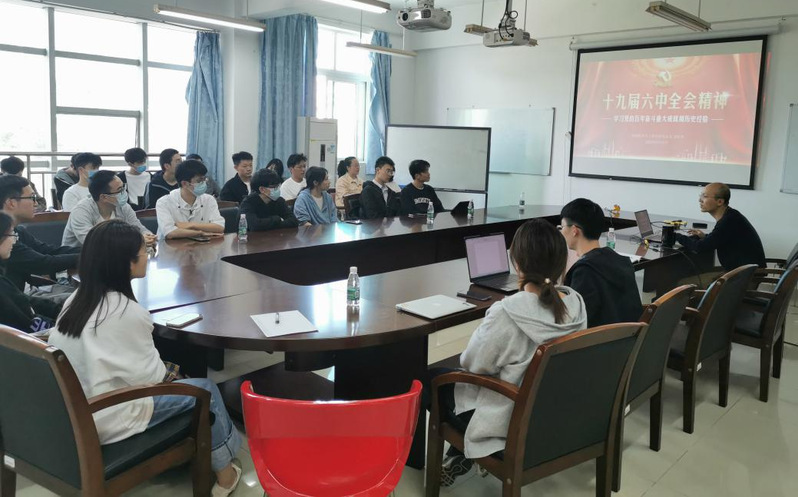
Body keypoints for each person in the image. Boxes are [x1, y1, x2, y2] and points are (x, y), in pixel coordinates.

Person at [48, 220, 242, 496]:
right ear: (126, 262)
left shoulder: (77, 299)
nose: (148, 257)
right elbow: (153, 378)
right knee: (206, 390)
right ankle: (225, 472)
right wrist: (179, 377)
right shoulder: (126, 312)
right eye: (144, 252)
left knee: (181, 375)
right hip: (107, 413)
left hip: (73, 404)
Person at [429, 219, 587, 486]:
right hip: (554, 414)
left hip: (509, 420)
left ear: (517, 264)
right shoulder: (576, 304)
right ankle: (459, 453)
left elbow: (472, 364)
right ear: (562, 263)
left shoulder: (507, 311)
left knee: (432, 379)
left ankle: (438, 459)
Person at [559, 198, 643, 328]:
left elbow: (575, 321)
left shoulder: (584, 272)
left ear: (574, 230)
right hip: (630, 336)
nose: (561, 232)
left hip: (600, 339)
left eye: (562, 227)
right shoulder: (621, 261)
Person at [0, 175, 80, 291]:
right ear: (11, 203)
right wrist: (89, 256)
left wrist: (90, 249)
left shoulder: (18, 230)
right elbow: (43, 263)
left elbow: (47, 250)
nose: (36, 204)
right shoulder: (4, 237)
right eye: (32, 198)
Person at [675, 182, 766, 284]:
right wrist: (705, 236)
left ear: (720, 202)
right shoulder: (731, 215)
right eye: (700, 196)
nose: (700, 200)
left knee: (683, 284)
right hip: (741, 272)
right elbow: (721, 238)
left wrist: (675, 236)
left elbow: (700, 247)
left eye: (705, 196)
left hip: (744, 278)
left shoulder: (728, 221)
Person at [0, 211, 60, 334]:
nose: (14, 241)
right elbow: (28, 325)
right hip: (33, 340)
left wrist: (59, 311)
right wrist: (66, 324)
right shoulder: (2, 285)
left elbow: (22, 300)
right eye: (11, 234)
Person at [62, 170, 156, 247]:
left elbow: (139, 228)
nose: (124, 192)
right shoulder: (81, 211)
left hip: (114, 256)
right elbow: (93, 242)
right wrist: (137, 241)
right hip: (79, 259)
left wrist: (149, 236)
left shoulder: (123, 207)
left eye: (123, 187)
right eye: (119, 190)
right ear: (104, 197)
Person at [155, 159, 225, 240]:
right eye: (199, 180)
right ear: (184, 183)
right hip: (170, 246)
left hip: (201, 246)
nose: (204, 183)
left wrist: (191, 225)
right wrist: (201, 233)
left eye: (204, 179)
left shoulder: (209, 199)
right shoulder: (164, 202)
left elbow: (220, 226)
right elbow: (170, 233)